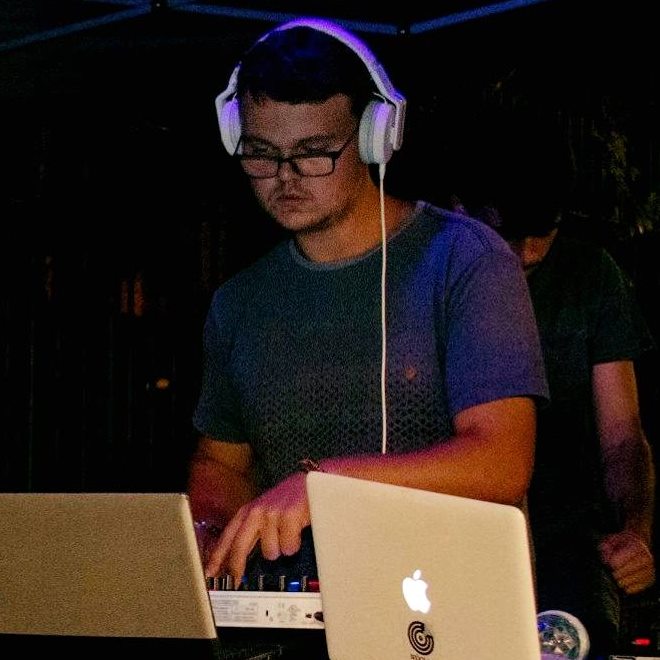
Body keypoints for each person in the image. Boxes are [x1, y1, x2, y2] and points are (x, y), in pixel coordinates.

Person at [187, 18, 548, 600]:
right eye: (261, 153)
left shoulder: (465, 259)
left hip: (446, 606)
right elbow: (221, 463)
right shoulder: (239, 302)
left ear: (373, 138)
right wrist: (209, 529)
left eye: (313, 153)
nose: (285, 177)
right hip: (295, 615)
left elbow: (500, 460)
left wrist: (324, 484)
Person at [452, 122, 657, 659]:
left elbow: (623, 435)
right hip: (456, 536)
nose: (525, 252)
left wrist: (636, 531)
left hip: (569, 541)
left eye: (542, 232)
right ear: (460, 209)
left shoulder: (592, 276)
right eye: (507, 232)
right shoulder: (433, 272)